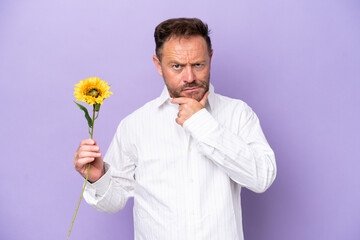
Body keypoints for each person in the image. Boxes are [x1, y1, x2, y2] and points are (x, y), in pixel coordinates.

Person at [74, 18, 276, 240]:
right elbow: (113, 203)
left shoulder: (238, 114)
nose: (189, 78)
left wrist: (202, 123)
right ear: (158, 65)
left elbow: (261, 178)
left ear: (210, 58)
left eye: (198, 64)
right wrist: (98, 178)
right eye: (177, 66)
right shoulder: (135, 125)